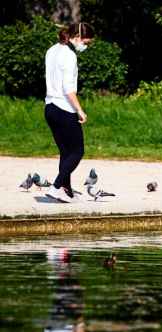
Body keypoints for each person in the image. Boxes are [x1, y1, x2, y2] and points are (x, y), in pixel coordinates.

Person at [44, 23, 94, 203]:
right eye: (86, 43)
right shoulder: (70, 56)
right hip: (64, 108)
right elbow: (68, 89)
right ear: (77, 37)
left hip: (49, 107)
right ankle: (56, 187)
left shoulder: (52, 50)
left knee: (65, 152)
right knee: (77, 151)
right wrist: (80, 110)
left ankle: (66, 190)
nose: (86, 46)